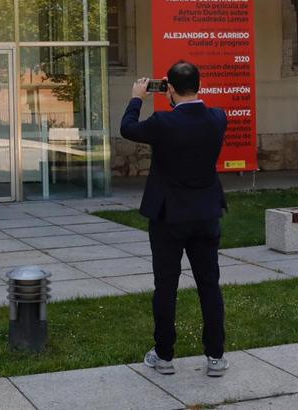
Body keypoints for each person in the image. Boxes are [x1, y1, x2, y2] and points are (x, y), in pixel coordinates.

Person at [121, 61, 228, 378]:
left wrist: (137, 97)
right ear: (200, 85)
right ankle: (215, 356)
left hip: (169, 216)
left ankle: (165, 355)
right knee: (209, 285)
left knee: (166, 285)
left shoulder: (162, 123)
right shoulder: (218, 119)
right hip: (206, 213)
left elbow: (127, 128)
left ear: (168, 88)